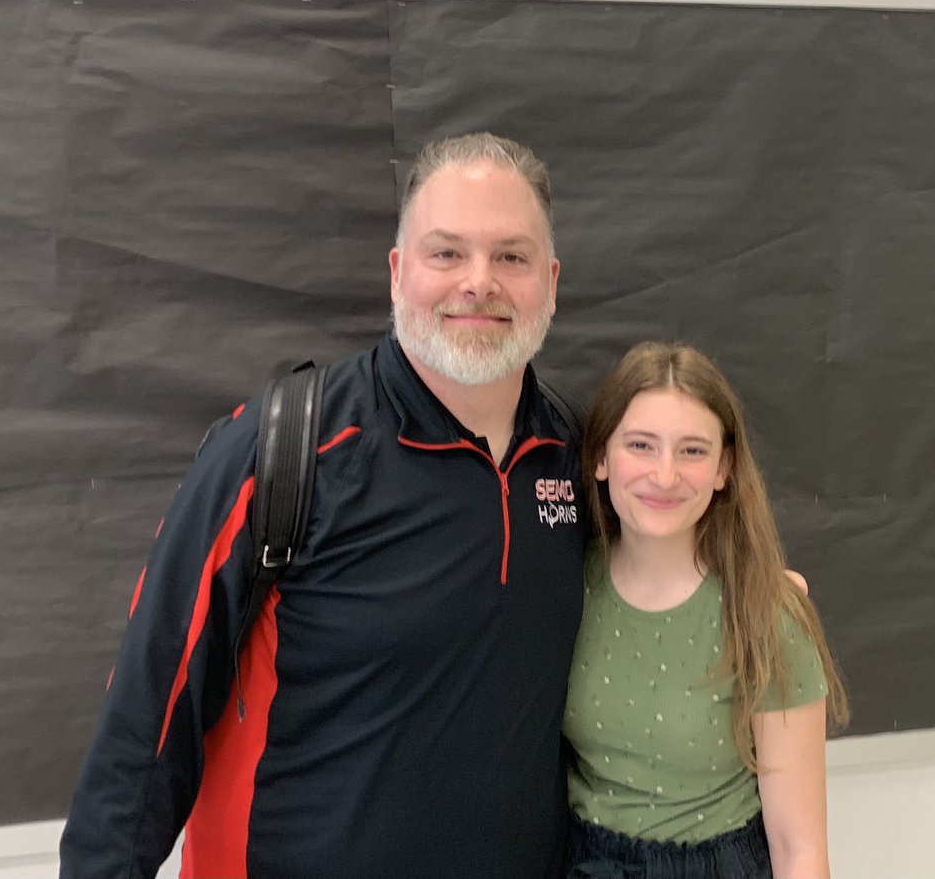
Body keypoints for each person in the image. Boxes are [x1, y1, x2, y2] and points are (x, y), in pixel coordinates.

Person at [59, 133, 586, 878]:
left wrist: (757, 595)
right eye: (446, 253)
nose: (479, 282)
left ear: (551, 280)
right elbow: (146, 720)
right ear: (399, 273)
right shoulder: (283, 450)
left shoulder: (577, 456)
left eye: (511, 256)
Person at [563, 342, 849, 879]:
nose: (664, 475)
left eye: (692, 451)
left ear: (724, 469)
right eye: (641, 445)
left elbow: (800, 849)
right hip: (583, 861)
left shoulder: (765, 616)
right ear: (600, 457)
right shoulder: (563, 586)